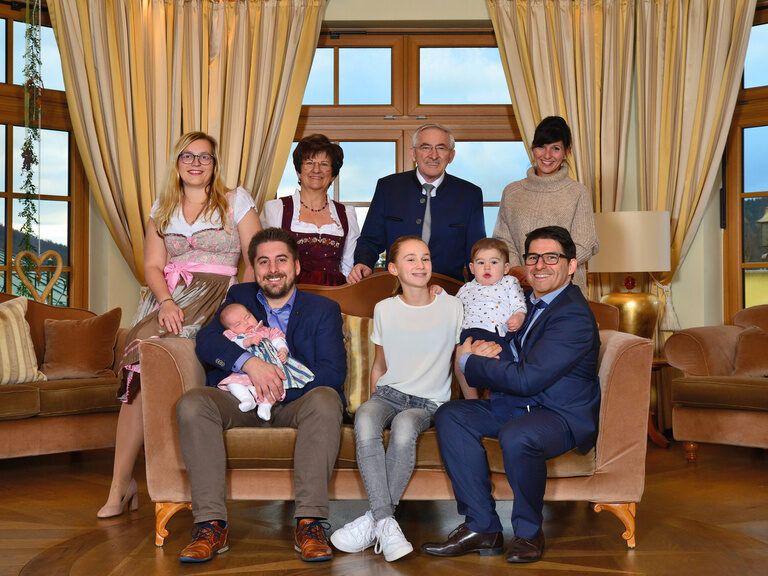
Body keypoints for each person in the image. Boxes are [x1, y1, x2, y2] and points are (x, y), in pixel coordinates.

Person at [97, 131, 261, 519]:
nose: (196, 163)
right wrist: (167, 301)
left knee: (199, 371)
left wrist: (238, 306)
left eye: (204, 157)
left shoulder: (236, 200)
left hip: (221, 298)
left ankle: (195, 482)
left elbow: (255, 259)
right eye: (188, 156)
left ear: (214, 164)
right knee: (140, 368)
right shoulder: (163, 206)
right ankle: (120, 485)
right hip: (170, 300)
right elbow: (152, 265)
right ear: (177, 162)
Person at [422, 226, 601, 564]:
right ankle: (482, 526)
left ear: (572, 266)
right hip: (519, 405)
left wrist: (469, 360)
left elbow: (527, 379)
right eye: (533, 257)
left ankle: (529, 532)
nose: (540, 265)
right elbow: (510, 345)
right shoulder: (530, 300)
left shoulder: (573, 315)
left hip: (558, 414)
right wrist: (487, 349)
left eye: (552, 257)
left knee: (519, 434)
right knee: (452, 416)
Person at [176, 227, 346, 564]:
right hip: (242, 397)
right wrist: (250, 363)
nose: (272, 269)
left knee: (327, 398)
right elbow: (208, 342)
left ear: (296, 267)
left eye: (281, 260)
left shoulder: (323, 309)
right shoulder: (238, 296)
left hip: (296, 400)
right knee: (193, 403)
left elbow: (332, 372)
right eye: (263, 262)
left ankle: (310, 522)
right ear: (253, 269)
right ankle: (210, 524)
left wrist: (277, 382)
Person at [330, 236, 463, 562]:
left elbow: (461, 362)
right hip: (389, 393)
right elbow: (380, 364)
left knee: (404, 427)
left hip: (428, 403)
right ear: (393, 268)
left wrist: (471, 401)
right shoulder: (384, 309)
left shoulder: (452, 306)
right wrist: (374, 400)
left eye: (425, 258)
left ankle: (374, 521)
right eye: (411, 259)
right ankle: (385, 521)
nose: (420, 265)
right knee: (364, 417)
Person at [347, 123, 485, 283]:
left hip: (450, 292)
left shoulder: (470, 194)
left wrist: (481, 292)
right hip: (396, 290)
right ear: (413, 153)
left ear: (451, 156)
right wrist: (363, 263)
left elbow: (476, 253)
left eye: (441, 148)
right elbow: (371, 240)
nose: (433, 155)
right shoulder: (388, 187)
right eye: (425, 148)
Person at [493, 116, 598, 295]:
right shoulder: (512, 192)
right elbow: (504, 241)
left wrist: (542, 268)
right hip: (518, 288)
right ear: (532, 148)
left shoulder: (578, 193)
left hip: (565, 291)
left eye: (555, 148)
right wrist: (521, 270)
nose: (547, 155)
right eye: (541, 147)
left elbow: (584, 244)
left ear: (566, 151)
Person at [261, 134, 360, 286]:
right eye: (309, 163)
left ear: (333, 175)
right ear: (299, 172)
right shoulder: (276, 209)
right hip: (290, 296)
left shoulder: (346, 214)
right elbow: (265, 262)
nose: (316, 170)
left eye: (324, 164)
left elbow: (349, 268)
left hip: (335, 297)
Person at [453, 237, 527, 398]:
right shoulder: (466, 288)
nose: (487, 267)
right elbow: (454, 308)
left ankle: (499, 400)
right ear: (472, 268)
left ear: (506, 267)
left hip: (498, 334)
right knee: (462, 362)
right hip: (470, 333)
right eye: (480, 263)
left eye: (494, 262)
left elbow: (519, 303)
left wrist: (519, 316)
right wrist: (440, 293)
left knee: (504, 362)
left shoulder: (509, 283)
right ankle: (472, 401)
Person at [216, 302, 314, 420]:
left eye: (247, 317)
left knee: (276, 383)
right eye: (238, 324)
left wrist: (283, 350)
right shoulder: (233, 336)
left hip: (271, 366)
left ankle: (265, 405)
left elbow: (278, 339)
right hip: (246, 373)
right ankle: (246, 399)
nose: (246, 323)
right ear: (230, 330)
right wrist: (248, 341)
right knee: (232, 383)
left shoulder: (265, 331)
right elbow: (233, 345)